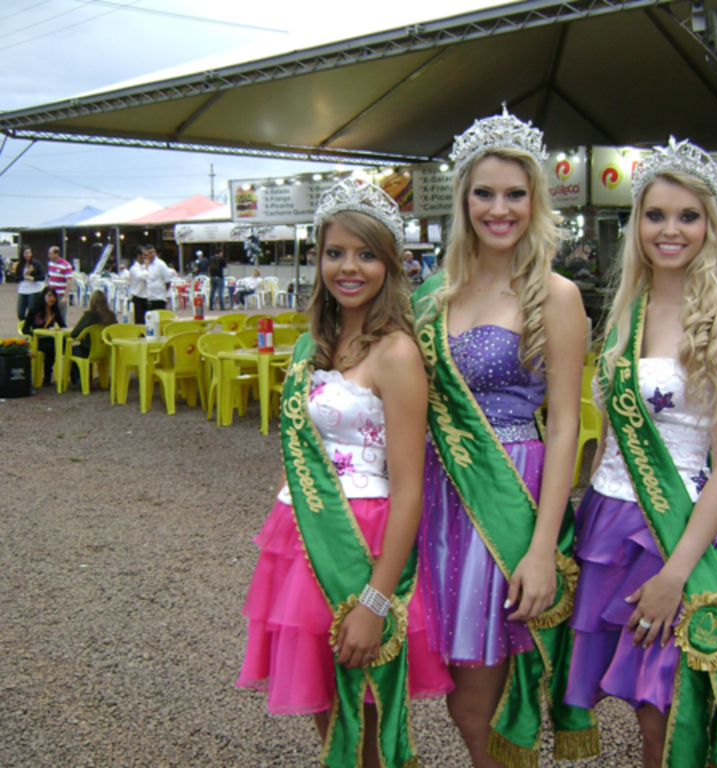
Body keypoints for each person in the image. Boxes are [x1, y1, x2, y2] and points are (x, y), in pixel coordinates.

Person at [562, 138, 717, 768]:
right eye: (656, 215)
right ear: (638, 225)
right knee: (628, 697)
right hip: (607, 527)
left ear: (711, 226)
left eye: (688, 215)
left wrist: (676, 574)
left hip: (675, 533)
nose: (671, 229)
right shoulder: (627, 311)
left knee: (667, 711)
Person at [237, 178, 452, 768]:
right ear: (318, 259)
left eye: (366, 254)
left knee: (366, 715)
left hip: (363, 540)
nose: (348, 268)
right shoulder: (315, 343)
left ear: (390, 263)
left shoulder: (397, 352)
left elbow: (411, 489)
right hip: (303, 532)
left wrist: (376, 601)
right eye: (335, 253)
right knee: (327, 717)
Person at [412, 107, 597, 767]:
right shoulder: (432, 296)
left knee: (475, 703)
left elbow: (568, 422)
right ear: (463, 199)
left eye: (515, 194)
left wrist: (544, 546)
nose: (499, 208)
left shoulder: (557, 295)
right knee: (452, 692)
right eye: (484, 193)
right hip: (436, 498)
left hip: (509, 495)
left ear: (535, 201)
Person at [68, 290, 118, 389]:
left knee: (74, 350)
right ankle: (97, 379)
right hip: (107, 349)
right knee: (84, 349)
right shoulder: (111, 316)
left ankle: (79, 380)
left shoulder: (89, 315)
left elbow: (74, 334)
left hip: (89, 350)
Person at [23, 286, 67, 386]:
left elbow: (63, 325)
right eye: (49, 296)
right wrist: (35, 333)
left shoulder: (55, 311)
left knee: (64, 344)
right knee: (50, 348)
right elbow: (25, 328)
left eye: (54, 296)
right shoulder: (34, 310)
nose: (52, 299)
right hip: (37, 339)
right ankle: (47, 375)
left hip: (49, 337)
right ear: (44, 296)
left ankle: (71, 375)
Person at [14, 247, 46, 321]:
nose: (28, 255)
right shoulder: (20, 265)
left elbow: (42, 277)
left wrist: (33, 278)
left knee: (32, 310)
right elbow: (16, 278)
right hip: (23, 290)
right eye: (26, 253)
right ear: (22, 254)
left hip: (34, 290)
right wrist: (23, 276)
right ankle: (26, 324)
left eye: (29, 253)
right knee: (20, 313)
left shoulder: (36, 264)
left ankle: (30, 325)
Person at [144, 245, 174, 312]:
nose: (152, 254)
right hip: (147, 297)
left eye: (153, 252)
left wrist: (163, 292)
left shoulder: (160, 264)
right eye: (149, 253)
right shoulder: (144, 265)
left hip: (158, 298)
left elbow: (167, 281)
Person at [129, 246, 149, 325]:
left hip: (147, 297)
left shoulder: (144, 267)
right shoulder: (134, 268)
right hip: (138, 297)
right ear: (139, 256)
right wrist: (147, 267)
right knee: (140, 321)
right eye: (145, 255)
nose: (146, 258)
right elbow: (141, 277)